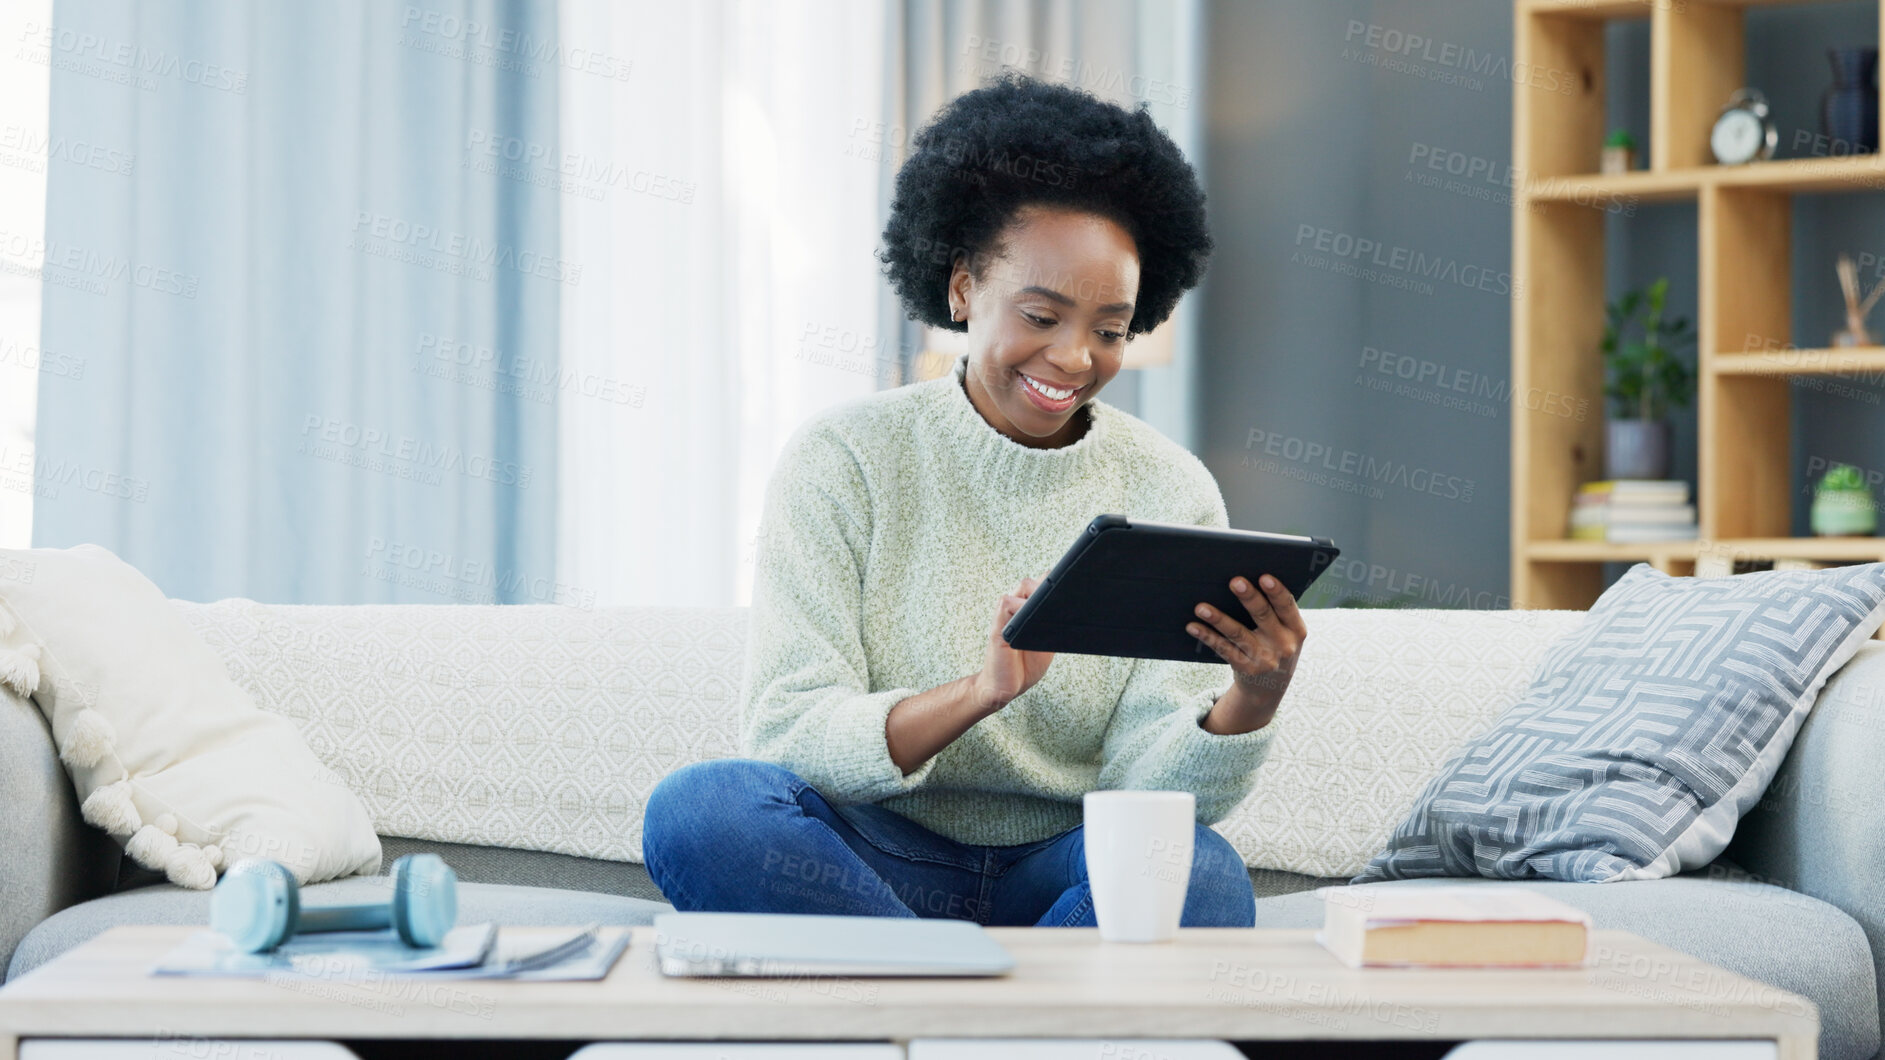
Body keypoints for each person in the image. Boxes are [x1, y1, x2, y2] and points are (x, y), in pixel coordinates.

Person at [641, 72, 1308, 928]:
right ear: (962, 289)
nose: (1073, 357)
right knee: (703, 809)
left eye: (1108, 329)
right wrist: (979, 693)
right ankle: (982, 1006)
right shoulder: (845, 459)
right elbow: (789, 733)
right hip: (875, 854)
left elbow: (1153, 797)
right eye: (1040, 315)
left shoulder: (1168, 488)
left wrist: (1249, 701)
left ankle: (921, 1003)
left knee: (1200, 875)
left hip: (1065, 865)